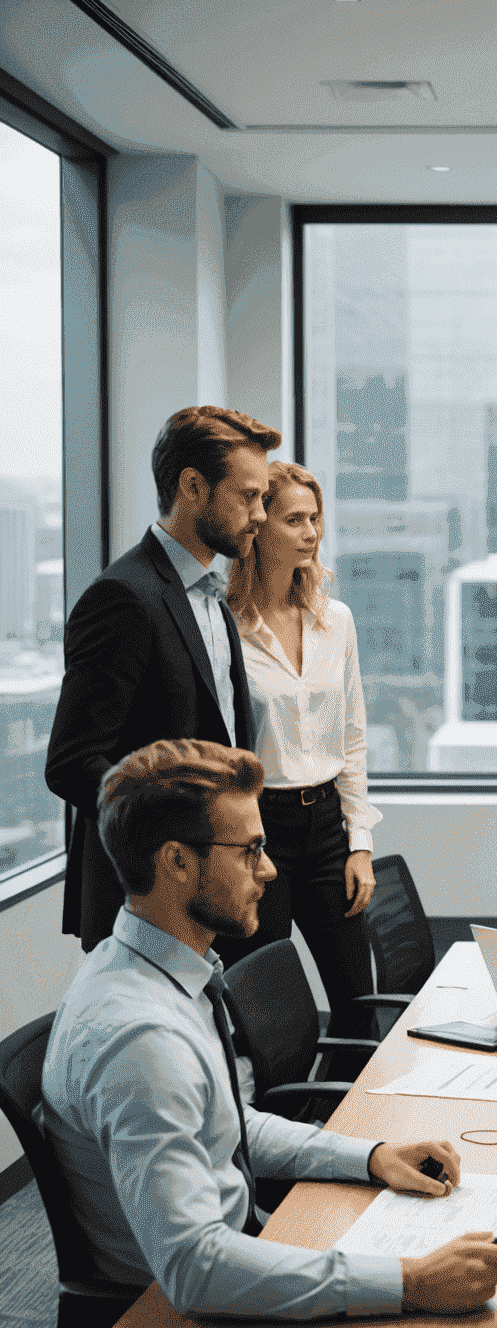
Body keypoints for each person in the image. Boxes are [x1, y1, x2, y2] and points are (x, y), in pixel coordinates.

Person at [41, 737, 497, 1321]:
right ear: (177, 863)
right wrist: (408, 1281)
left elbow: (226, 1129)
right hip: (171, 1325)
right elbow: (195, 1268)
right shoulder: (143, 1040)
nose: (268, 869)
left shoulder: (154, 970)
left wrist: (371, 1156)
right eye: (251, 850)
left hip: (239, 1258)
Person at [46, 405, 281, 951]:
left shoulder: (212, 595)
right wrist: (178, 834)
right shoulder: (123, 598)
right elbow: (72, 763)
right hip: (151, 903)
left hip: (213, 889)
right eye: (248, 496)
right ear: (193, 488)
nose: (261, 515)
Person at [217, 461, 379, 1041]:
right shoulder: (224, 627)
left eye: (315, 519)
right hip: (261, 827)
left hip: (327, 826)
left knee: (359, 1004)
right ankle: (277, 1126)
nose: (311, 532)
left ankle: (354, 1128)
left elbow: (353, 735)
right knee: (267, 1019)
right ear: (258, 528)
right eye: (294, 520)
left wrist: (359, 844)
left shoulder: (335, 620)